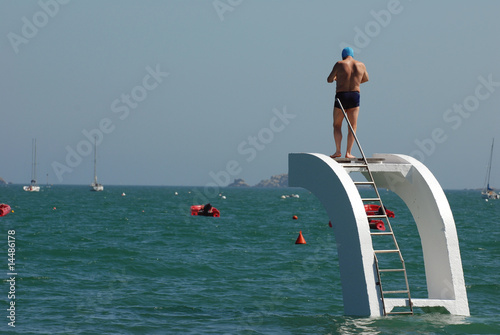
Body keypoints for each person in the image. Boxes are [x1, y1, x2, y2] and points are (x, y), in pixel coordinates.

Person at [327, 47, 369, 159]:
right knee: (352, 126)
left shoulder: (339, 64)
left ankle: (337, 151)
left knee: (337, 125)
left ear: (343, 55)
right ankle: (348, 153)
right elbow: (366, 78)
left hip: (342, 95)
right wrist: (355, 81)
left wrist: (337, 78)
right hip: (355, 95)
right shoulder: (361, 65)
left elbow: (329, 79)